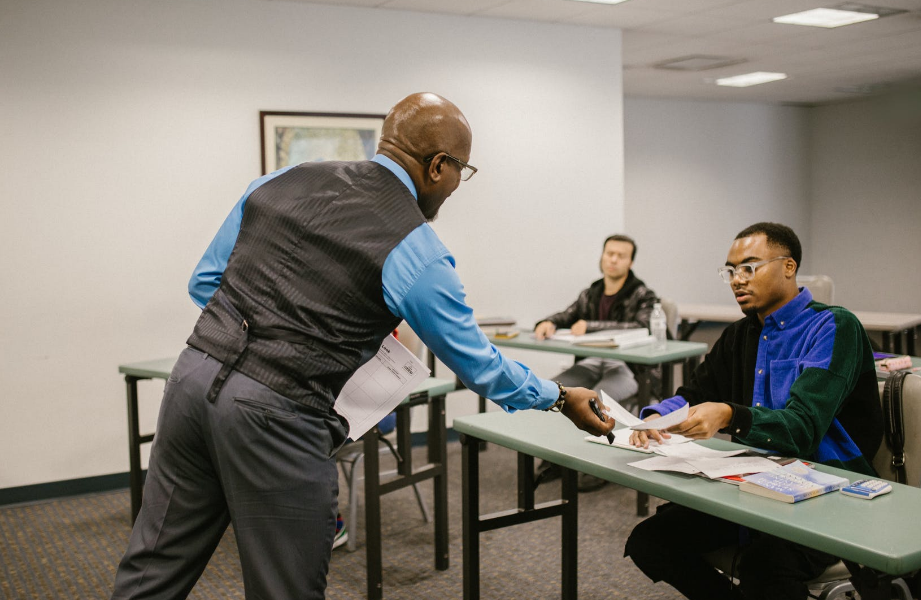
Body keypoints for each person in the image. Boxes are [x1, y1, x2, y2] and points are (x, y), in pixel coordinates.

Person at [110, 92, 614, 600]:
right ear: (438, 166)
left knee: (152, 571)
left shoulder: (281, 180)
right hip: (277, 416)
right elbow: (477, 363)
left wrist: (267, 324)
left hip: (192, 380)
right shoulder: (417, 250)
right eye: (463, 170)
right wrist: (555, 395)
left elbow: (205, 283)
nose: (460, 183)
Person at [623, 222, 883, 600]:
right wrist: (655, 418)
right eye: (730, 271)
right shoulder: (741, 333)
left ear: (789, 267)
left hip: (828, 491)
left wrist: (731, 415)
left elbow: (803, 428)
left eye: (749, 267)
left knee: (765, 565)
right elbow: (695, 393)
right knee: (650, 541)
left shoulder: (833, 326)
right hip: (753, 484)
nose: (736, 280)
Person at [533, 234, 658, 490]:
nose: (612, 259)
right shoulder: (591, 292)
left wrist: (590, 326)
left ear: (630, 262)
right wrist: (548, 322)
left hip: (627, 366)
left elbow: (642, 326)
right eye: (609, 253)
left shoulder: (643, 294)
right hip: (593, 361)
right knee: (555, 389)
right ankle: (558, 459)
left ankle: (599, 464)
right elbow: (568, 315)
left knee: (598, 396)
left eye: (620, 255)